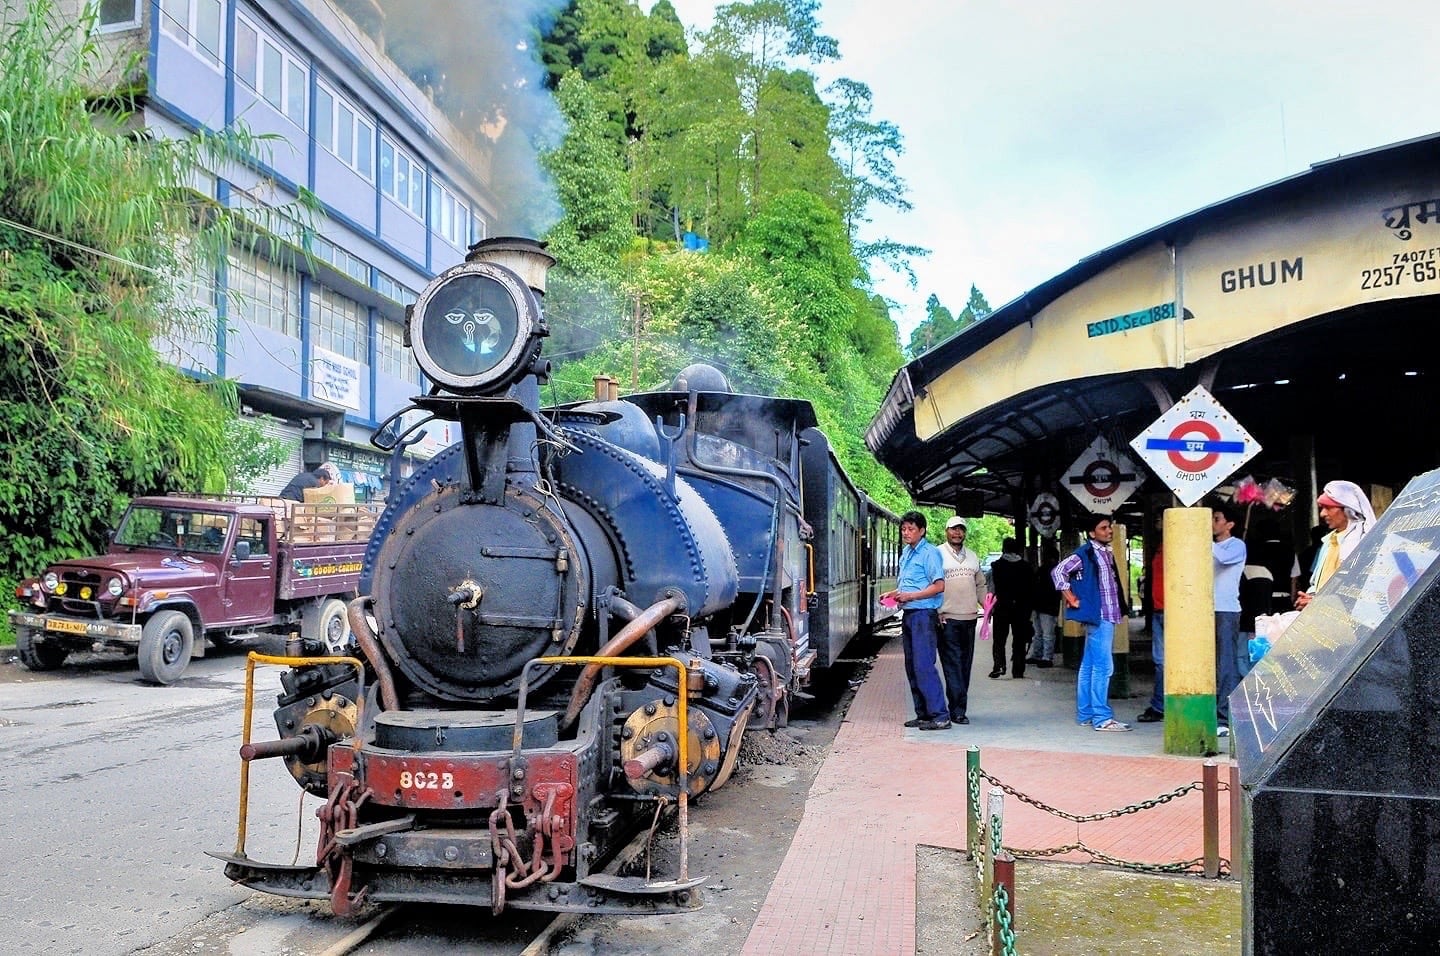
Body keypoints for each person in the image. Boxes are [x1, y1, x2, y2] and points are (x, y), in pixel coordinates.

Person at [1052, 514, 1132, 731]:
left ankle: (1086, 713)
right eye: (1104, 528)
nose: (1109, 531)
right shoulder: (1085, 553)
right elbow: (1058, 571)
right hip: (1099, 616)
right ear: (1091, 533)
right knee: (1103, 667)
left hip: (1106, 614)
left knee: (1089, 666)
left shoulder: (1105, 553)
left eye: (1110, 527)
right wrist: (1070, 598)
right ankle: (1102, 717)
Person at [881, 511, 951, 731]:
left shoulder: (929, 553)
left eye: (911, 529)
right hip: (910, 614)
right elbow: (909, 585)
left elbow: (939, 586)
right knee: (911, 666)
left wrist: (910, 596)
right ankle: (923, 714)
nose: (906, 533)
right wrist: (894, 594)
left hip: (923, 615)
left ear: (922, 531)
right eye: (903, 529)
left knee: (923, 666)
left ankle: (940, 715)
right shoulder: (906, 553)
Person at [1296, 480, 1377, 608]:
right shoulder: (1328, 541)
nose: (1322, 514)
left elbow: (1362, 590)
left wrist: (1319, 603)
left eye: (1328, 507)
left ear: (1348, 509)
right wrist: (1310, 598)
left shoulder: (1365, 541)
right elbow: (1318, 582)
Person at [937, 516, 987, 725]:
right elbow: (932, 584)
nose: (957, 533)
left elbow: (980, 585)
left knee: (965, 664)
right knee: (952, 664)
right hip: (947, 618)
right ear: (946, 531)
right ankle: (957, 710)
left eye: (961, 530)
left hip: (969, 618)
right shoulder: (937, 554)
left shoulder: (973, 557)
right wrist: (937, 611)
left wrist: (988, 606)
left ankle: (958, 706)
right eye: (953, 530)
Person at [1213, 504, 1247, 736]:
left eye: (1216, 518)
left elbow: (1223, 559)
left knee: (1227, 664)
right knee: (1211, 666)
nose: (1212, 523)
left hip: (1227, 610)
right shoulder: (1211, 546)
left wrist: (1198, 535)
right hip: (1206, 610)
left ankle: (1225, 718)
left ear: (1230, 524)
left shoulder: (1237, 545)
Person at [988, 537, 1035, 679]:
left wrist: (989, 609)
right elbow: (1031, 590)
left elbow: (991, 589)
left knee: (999, 639)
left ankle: (999, 665)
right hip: (1021, 608)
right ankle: (1018, 670)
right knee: (1019, 639)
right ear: (1018, 550)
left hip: (1002, 606)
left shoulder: (996, 566)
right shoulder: (1027, 567)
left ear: (1003, 549)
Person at [1137, 542, 1165, 723]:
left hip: (1174, 610)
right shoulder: (1160, 547)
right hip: (1158, 609)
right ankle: (1159, 704)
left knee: (1164, 661)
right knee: (1160, 661)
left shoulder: (1182, 541)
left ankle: (1159, 705)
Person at [1028, 541, 1060, 668]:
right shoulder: (1052, 570)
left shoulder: (1044, 570)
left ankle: (1044, 656)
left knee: (1043, 633)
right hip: (1046, 606)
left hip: (1043, 605)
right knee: (1043, 633)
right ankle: (1042, 656)